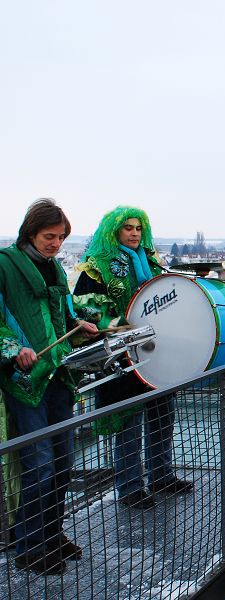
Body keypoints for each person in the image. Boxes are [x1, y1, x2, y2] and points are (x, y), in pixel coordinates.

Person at [0, 199, 99, 575]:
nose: (56, 244)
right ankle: (28, 545)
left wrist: (80, 324)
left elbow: (62, 313)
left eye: (60, 238)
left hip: (59, 374)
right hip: (24, 381)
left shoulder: (55, 266)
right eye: (49, 237)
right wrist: (13, 349)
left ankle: (51, 534)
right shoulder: (4, 264)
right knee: (40, 463)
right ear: (30, 232)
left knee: (63, 461)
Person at [73, 206, 193, 510]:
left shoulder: (151, 263)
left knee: (163, 415)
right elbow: (87, 311)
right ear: (114, 231)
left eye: (139, 228)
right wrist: (122, 327)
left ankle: (161, 475)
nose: (135, 233)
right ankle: (129, 486)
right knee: (128, 419)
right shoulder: (95, 267)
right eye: (127, 228)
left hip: (155, 352)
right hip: (120, 356)